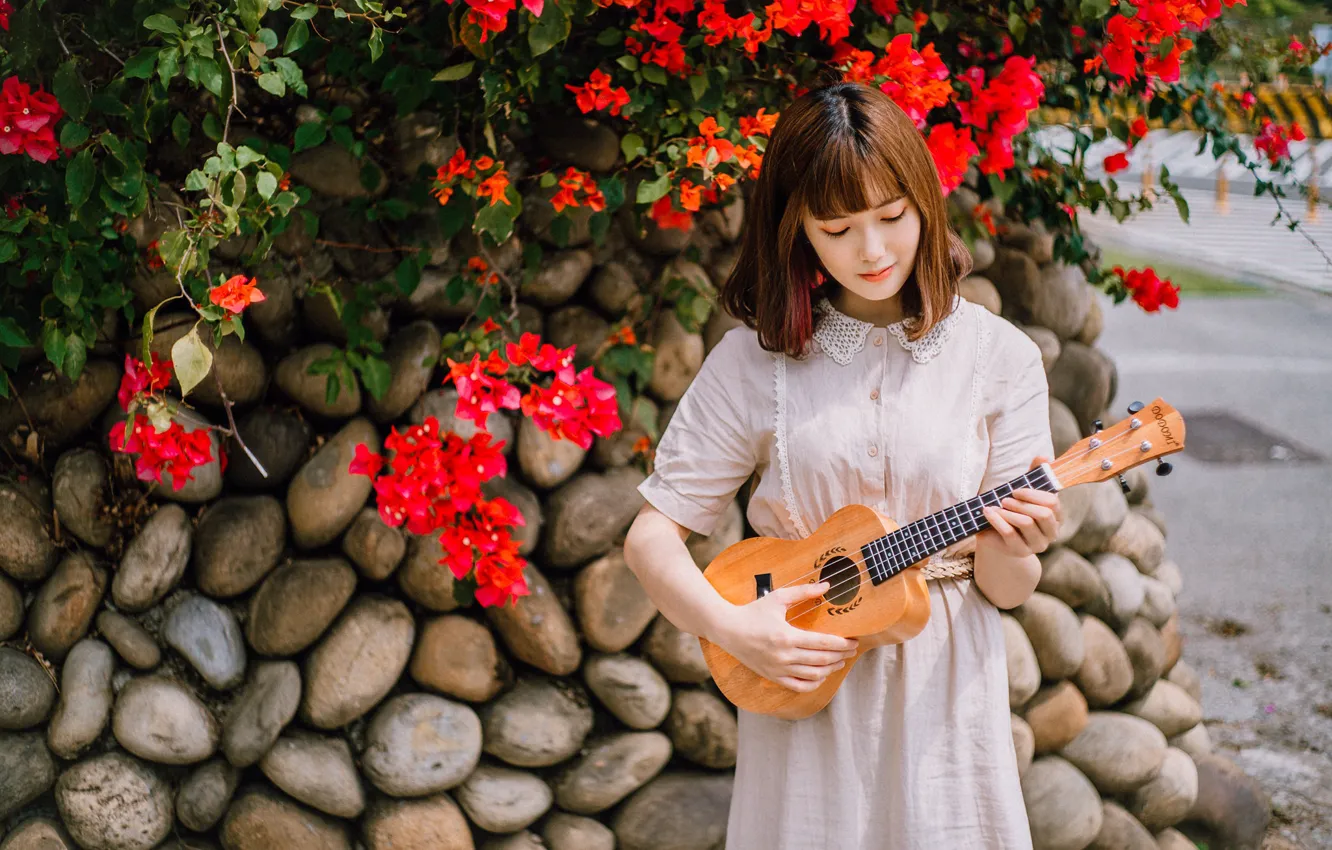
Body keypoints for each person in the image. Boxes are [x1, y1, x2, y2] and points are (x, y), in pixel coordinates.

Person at [622, 80, 1063, 850]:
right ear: (798, 232)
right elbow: (651, 537)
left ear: (925, 201)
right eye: (837, 227)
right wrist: (735, 629)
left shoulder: (1000, 357)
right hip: (803, 676)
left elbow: (1007, 589)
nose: (872, 250)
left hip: (946, 693)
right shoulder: (752, 364)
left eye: (893, 218)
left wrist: (1018, 546)